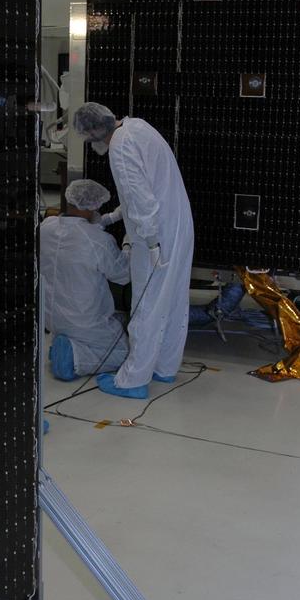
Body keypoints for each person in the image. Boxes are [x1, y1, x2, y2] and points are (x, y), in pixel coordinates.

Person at [72, 103, 195, 399]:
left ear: (94, 132)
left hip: (156, 235)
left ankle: (133, 380)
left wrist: (151, 243)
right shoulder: (137, 126)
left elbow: (140, 199)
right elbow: (145, 188)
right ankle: (165, 368)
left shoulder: (119, 148)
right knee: (174, 299)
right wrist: (113, 218)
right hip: (178, 225)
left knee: (146, 304)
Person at [40, 178, 131, 381]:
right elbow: (123, 275)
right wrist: (128, 245)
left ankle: (63, 345)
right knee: (123, 352)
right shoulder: (99, 241)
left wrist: (112, 217)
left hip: (51, 318)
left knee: (114, 321)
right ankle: (74, 357)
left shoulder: (46, 227)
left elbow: (81, 229)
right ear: (95, 205)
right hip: (83, 321)